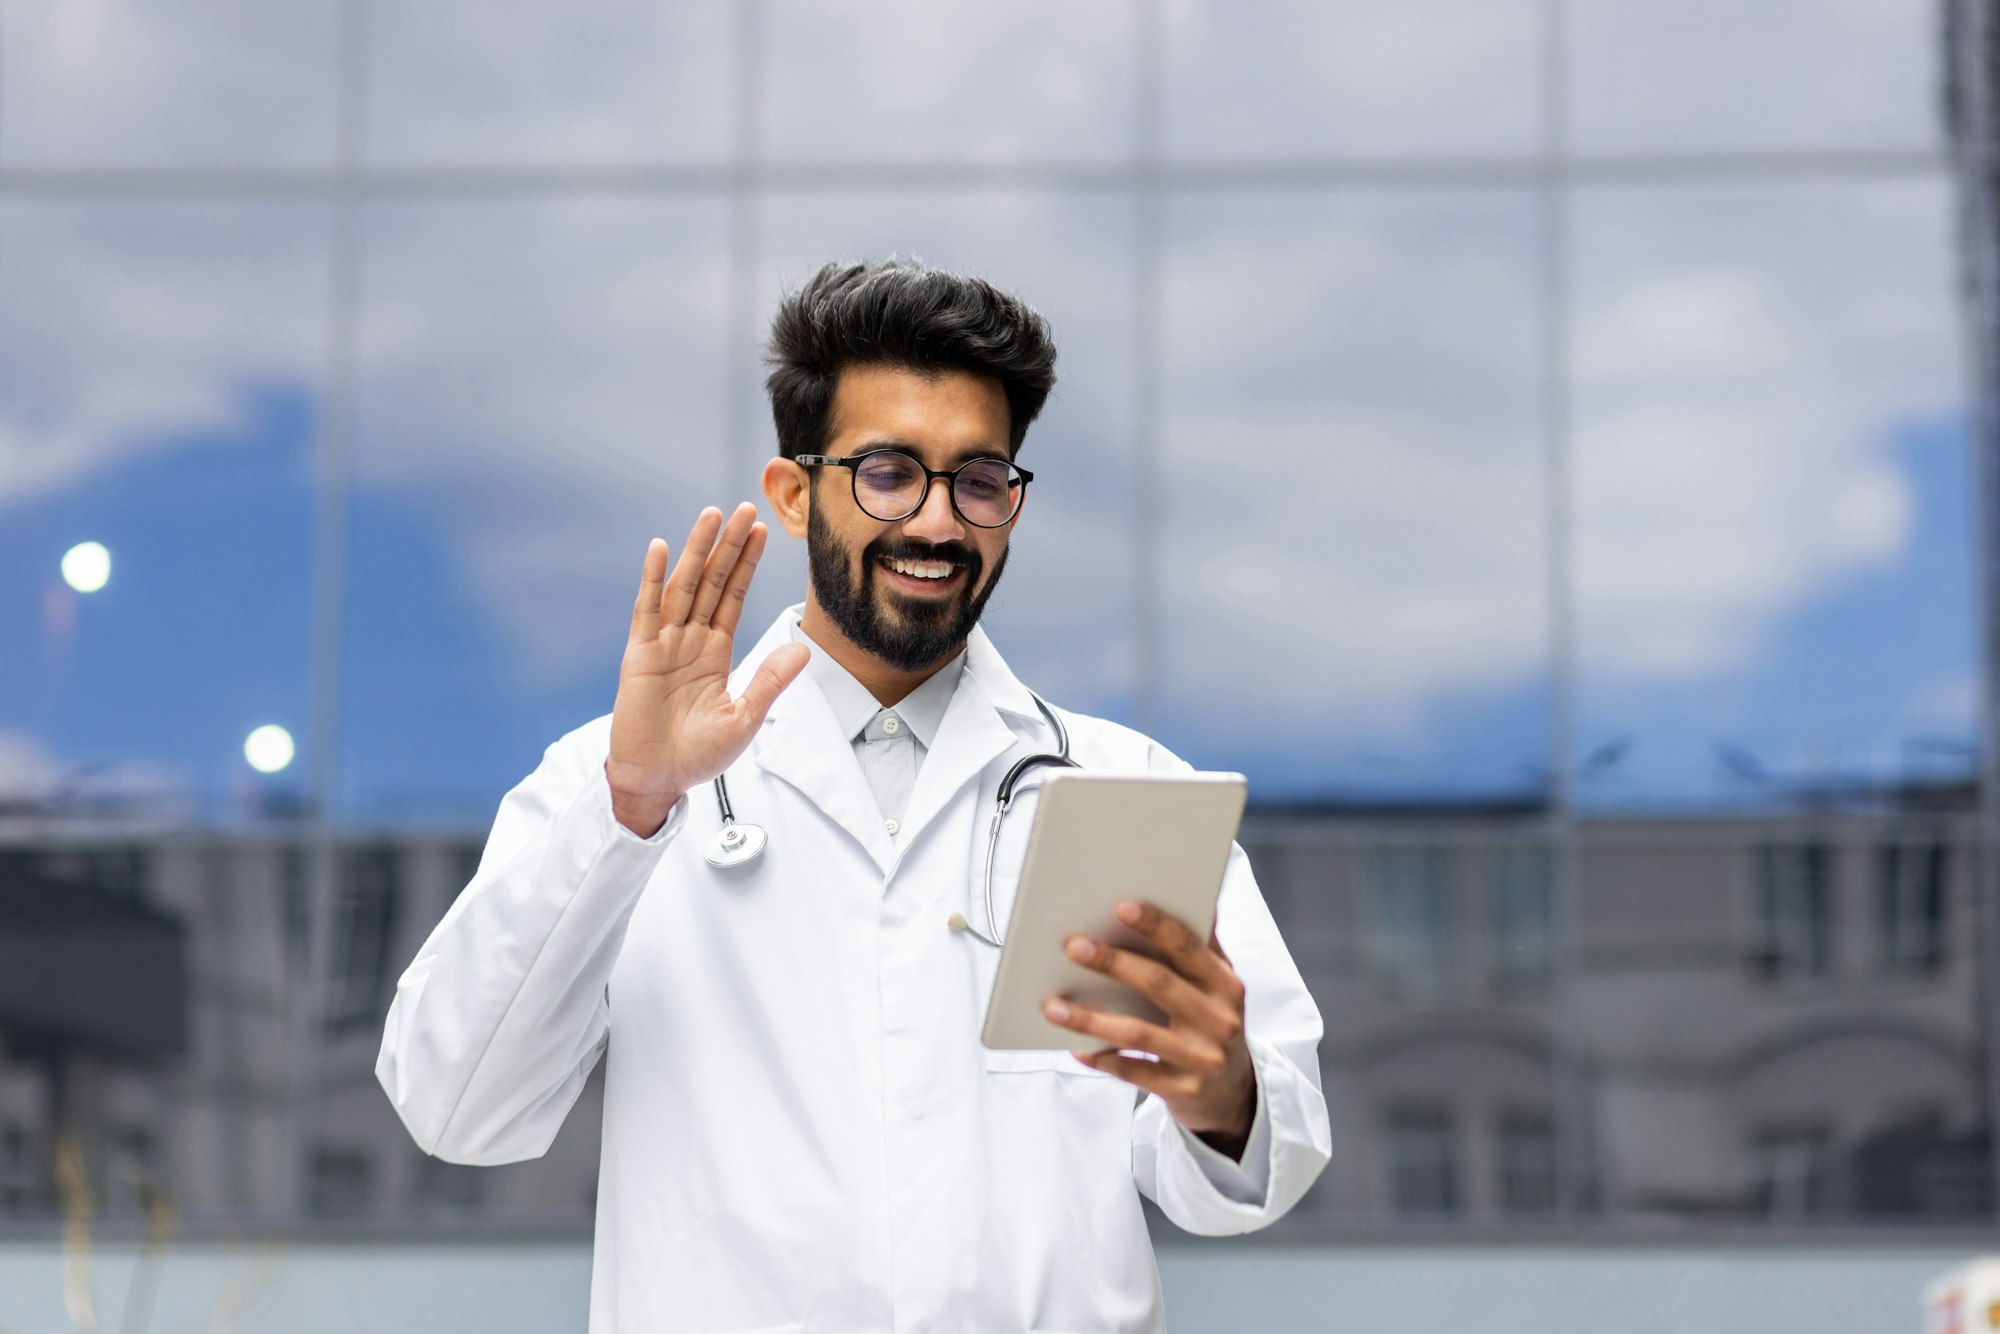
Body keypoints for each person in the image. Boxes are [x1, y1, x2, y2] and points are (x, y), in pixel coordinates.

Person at [377, 259, 1330, 1333]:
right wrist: (631, 805)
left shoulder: (1124, 789)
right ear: (794, 493)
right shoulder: (615, 784)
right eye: (887, 471)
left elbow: (1260, 1162)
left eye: (978, 479)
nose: (936, 522)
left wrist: (1225, 1096)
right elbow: (453, 1107)